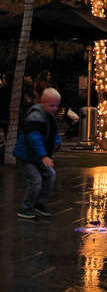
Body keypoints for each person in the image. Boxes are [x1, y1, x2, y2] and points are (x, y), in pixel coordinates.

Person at [13, 87, 61, 220]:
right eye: (52, 105)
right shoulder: (35, 116)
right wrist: (43, 156)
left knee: (50, 174)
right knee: (36, 181)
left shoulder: (49, 116)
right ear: (43, 103)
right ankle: (26, 207)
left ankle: (40, 203)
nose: (55, 108)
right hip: (27, 156)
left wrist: (56, 144)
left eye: (57, 105)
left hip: (37, 155)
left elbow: (53, 134)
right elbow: (34, 138)